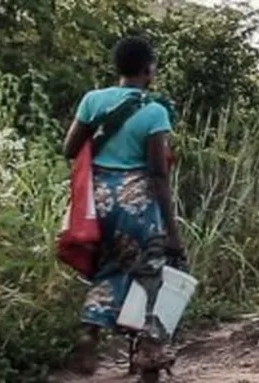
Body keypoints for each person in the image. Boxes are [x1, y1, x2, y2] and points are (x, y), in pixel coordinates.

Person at [61, 36, 184, 382]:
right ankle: (148, 356)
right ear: (148, 69)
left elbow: (70, 148)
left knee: (109, 269)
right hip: (138, 203)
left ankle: (90, 328)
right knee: (150, 274)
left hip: (98, 203)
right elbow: (158, 174)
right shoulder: (154, 111)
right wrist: (172, 234)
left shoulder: (93, 100)